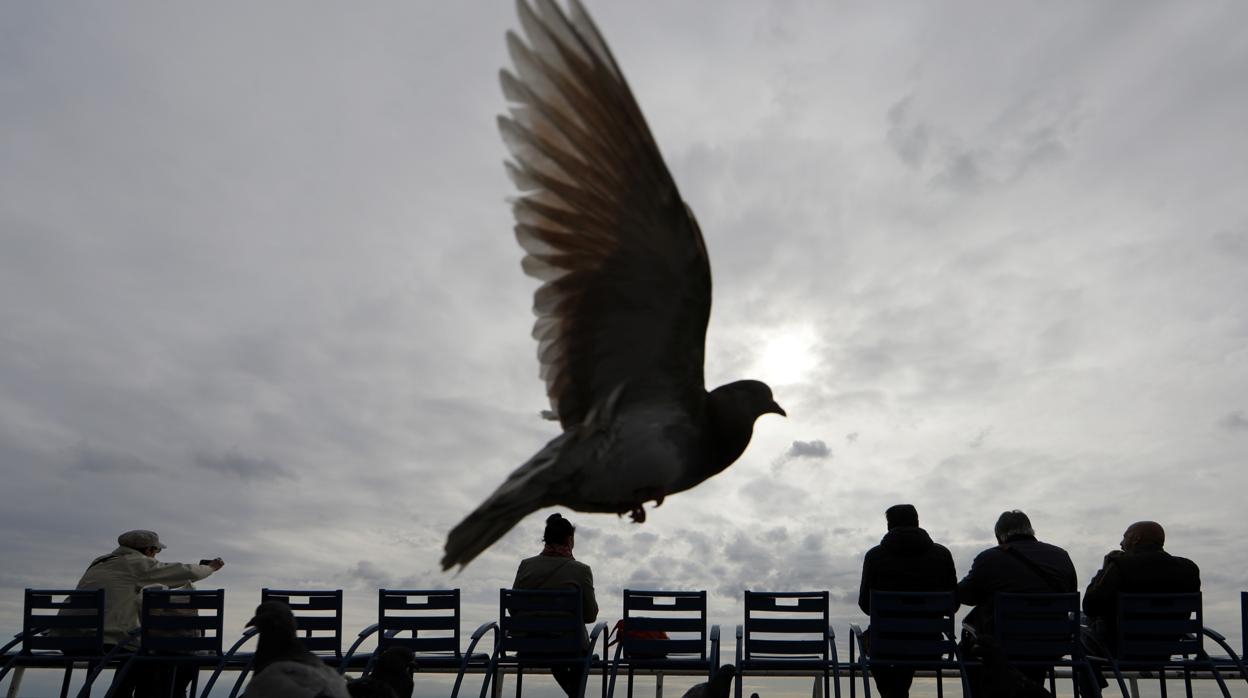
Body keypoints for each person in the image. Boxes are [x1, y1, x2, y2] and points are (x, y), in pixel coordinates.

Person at [65, 530, 224, 698]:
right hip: (105, 640)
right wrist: (210, 567)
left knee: (140, 649)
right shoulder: (137, 564)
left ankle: (121, 694)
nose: (156, 556)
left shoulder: (100, 562)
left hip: (69, 638)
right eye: (157, 551)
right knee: (153, 651)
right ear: (149, 550)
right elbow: (184, 572)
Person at [957, 510, 1075, 694]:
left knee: (972, 645)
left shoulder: (989, 558)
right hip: (1050, 643)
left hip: (1003, 645)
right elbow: (1069, 594)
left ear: (999, 536)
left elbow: (965, 595)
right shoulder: (1062, 556)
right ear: (1031, 531)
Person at [857, 504, 958, 698]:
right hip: (930, 647)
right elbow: (953, 605)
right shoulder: (942, 555)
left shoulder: (875, 556)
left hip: (886, 646)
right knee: (903, 650)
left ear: (888, 526)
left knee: (876, 645)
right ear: (918, 523)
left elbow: (865, 605)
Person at [512, 513, 598, 698]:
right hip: (568, 647)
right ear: (569, 539)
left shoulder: (525, 566)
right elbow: (590, 616)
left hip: (528, 645)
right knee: (576, 654)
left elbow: (514, 609)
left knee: (558, 650)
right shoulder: (581, 570)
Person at [1083, 521, 1200, 653]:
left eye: (1125, 537)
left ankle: (1093, 674)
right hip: (1167, 647)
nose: (1121, 544)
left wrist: (1104, 569)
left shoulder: (1121, 565)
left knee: (1083, 625)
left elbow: (1090, 606)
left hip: (1122, 648)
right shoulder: (1189, 568)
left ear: (1136, 538)